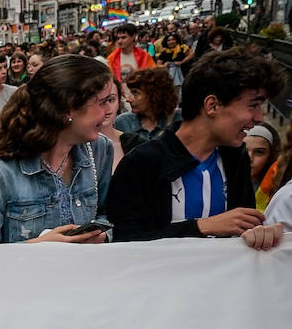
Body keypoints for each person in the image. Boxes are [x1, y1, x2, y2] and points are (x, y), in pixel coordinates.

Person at [107, 48, 286, 249]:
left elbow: (243, 231)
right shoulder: (140, 163)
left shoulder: (236, 158)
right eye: (253, 105)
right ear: (212, 105)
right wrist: (201, 227)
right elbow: (124, 245)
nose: (260, 117)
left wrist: (260, 234)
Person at [0, 55, 115, 244]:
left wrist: (100, 236)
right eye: (102, 102)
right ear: (66, 109)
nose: (109, 111)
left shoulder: (99, 150)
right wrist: (37, 247)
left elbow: (106, 214)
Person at [114, 67, 179, 148]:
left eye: (135, 93)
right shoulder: (123, 122)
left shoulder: (178, 118)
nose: (128, 99)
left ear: (154, 95)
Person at [245, 123, 281, 210]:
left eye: (259, 152)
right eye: (243, 150)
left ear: (270, 156)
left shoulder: (279, 190)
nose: (249, 158)